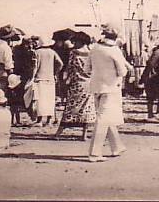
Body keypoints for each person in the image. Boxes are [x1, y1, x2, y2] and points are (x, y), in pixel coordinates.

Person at [86, 25, 129, 162]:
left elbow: (87, 68)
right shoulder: (115, 50)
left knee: (105, 116)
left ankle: (117, 146)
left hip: (96, 86)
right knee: (103, 119)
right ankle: (94, 153)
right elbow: (122, 71)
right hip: (111, 88)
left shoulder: (94, 49)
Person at [55, 32, 96, 141]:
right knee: (86, 109)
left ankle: (59, 133)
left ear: (81, 41)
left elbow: (69, 68)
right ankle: (84, 135)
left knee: (70, 108)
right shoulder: (92, 53)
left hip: (76, 84)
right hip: (89, 83)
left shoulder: (74, 53)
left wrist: (65, 79)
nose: (74, 43)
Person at [32, 37, 64, 127]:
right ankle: (49, 120)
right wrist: (55, 73)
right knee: (50, 99)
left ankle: (39, 120)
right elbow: (60, 63)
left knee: (40, 100)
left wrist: (33, 76)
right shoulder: (52, 52)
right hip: (50, 78)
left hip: (39, 78)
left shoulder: (37, 52)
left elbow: (35, 66)